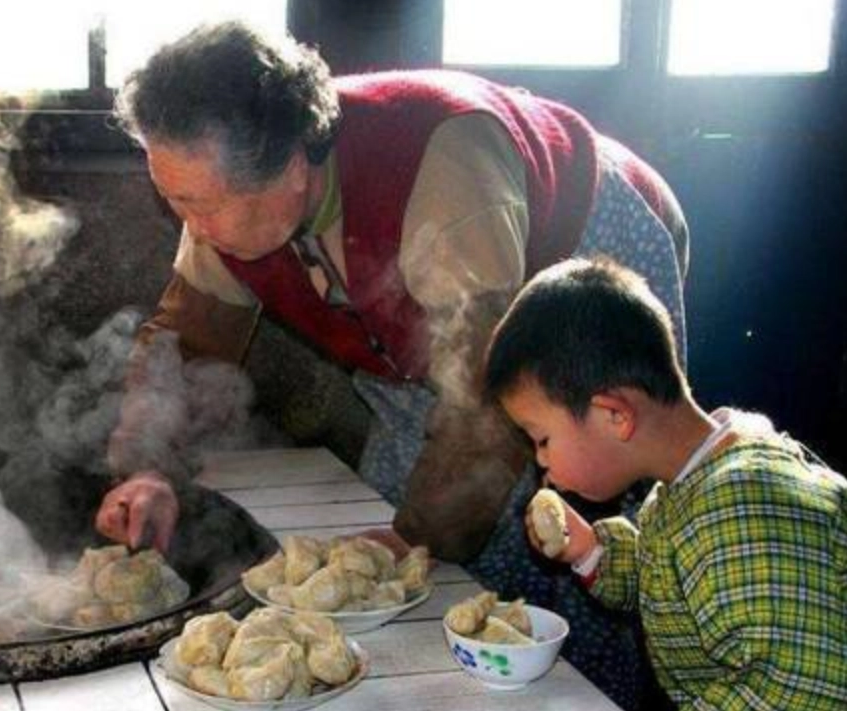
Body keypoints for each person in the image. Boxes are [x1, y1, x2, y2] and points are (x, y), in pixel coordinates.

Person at [97, 19, 689, 707]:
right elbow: (187, 338)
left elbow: (480, 397)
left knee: (577, 512)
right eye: (172, 201)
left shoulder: (440, 172)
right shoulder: (233, 197)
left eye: (197, 205)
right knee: (390, 550)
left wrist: (418, 531)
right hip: (449, 325)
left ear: (292, 170)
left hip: (587, 248)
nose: (188, 226)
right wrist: (148, 465)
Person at [485, 257, 847, 710]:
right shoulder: (688, 484)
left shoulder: (739, 516)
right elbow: (667, 582)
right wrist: (588, 551)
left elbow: (802, 686)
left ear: (614, 415)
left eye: (542, 439)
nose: (540, 462)